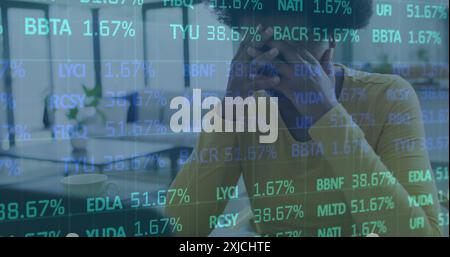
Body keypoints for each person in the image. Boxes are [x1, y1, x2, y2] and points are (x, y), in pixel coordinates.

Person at [166, 0, 442, 237]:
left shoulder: (388, 96)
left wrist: (325, 113)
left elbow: (422, 232)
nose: (281, 70)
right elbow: (180, 227)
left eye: (296, 53)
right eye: (261, 49)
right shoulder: (246, 107)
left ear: (332, 38)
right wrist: (230, 112)